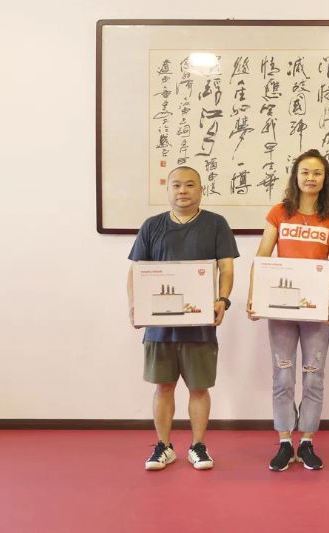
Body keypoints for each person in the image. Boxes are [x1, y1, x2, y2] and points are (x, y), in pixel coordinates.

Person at [127, 166, 238, 471]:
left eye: (190, 185)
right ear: (168, 189)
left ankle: (198, 446)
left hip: (199, 325)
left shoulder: (216, 224)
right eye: (176, 185)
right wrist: (135, 306)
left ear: (201, 189)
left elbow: (227, 268)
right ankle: (163, 447)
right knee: (163, 386)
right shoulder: (152, 226)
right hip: (160, 327)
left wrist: (222, 299)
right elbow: (136, 271)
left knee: (199, 388)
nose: (183, 191)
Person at [247, 149, 329, 471]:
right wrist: (254, 295)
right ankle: (284, 441)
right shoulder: (279, 213)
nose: (311, 178)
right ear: (296, 176)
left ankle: (307, 442)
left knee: (314, 375)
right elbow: (262, 255)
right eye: (305, 172)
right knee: (283, 374)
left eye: (317, 173)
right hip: (281, 308)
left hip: (316, 309)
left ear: (325, 179)